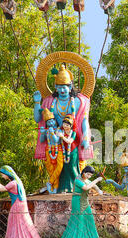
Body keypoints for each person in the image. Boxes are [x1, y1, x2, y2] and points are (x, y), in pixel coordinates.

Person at [33, 64, 93, 192]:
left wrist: (86, 138)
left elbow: (83, 120)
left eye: (65, 87)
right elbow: (39, 119)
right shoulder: (49, 101)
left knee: (73, 165)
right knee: (58, 166)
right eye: (59, 87)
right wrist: (37, 102)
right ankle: (57, 186)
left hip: (73, 139)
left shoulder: (80, 101)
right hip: (56, 140)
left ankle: (77, 187)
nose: (62, 90)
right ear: (55, 87)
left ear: (70, 86)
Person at [0, 166, 41, 238]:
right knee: (20, 220)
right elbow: (4, 187)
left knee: (16, 220)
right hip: (19, 203)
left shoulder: (12, 183)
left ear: (7, 174)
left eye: (2, 174)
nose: (2, 176)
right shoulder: (16, 181)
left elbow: (2, 189)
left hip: (17, 204)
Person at [60, 166, 103, 238]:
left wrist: (99, 190)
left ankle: (91, 237)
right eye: (88, 174)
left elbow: (94, 186)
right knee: (78, 218)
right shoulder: (77, 180)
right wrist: (96, 180)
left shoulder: (86, 180)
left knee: (89, 217)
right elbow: (86, 188)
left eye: (90, 175)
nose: (89, 176)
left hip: (85, 200)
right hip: (77, 200)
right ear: (84, 172)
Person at [39, 108, 63, 193]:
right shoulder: (47, 131)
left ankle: (50, 182)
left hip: (58, 149)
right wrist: (42, 133)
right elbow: (42, 140)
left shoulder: (58, 130)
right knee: (51, 169)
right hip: (48, 149)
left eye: (52, 121)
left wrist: (52, 133)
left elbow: (57, 140)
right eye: (48, 122)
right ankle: (55, 188)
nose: (51, 123)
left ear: (55, 121)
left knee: (59, 166)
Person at [56, 114, 81, 193]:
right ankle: (66, 188)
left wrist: (62, 137)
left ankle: (78, 186)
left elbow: (70, 141)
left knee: (72, 167)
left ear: (71, 126)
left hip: (72, 151)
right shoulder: (61, 131)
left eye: (67, 125)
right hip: (64, 151)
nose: (65, 126)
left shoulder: (73, 133)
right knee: (65, 168)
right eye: (64, 124)